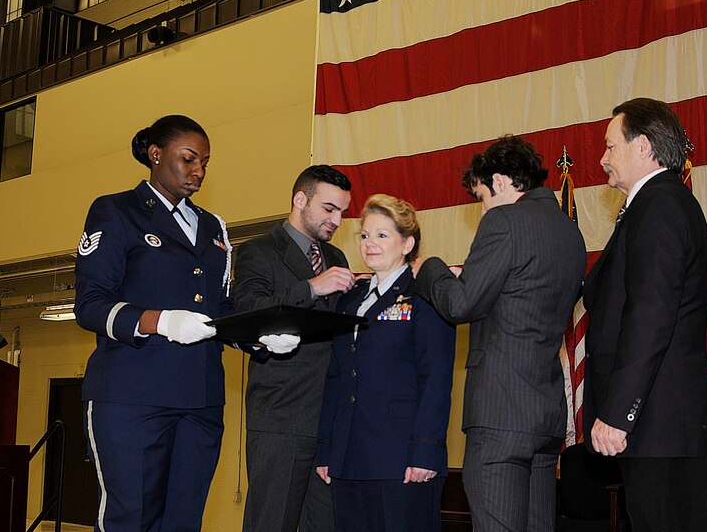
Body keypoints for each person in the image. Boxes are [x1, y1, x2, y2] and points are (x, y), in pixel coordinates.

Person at [412, 136, 586, 532]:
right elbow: (520, 296)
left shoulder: (504, 220)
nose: (483, 207)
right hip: (544, 414)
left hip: (500, 413)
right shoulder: (569, 232)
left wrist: (430, 268)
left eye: (481, 196)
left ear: (501, 181)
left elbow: (460, 305)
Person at [75, 114, 233, 531]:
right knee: (132, 519)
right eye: (188, 159)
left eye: (205, 162)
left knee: (183, 522)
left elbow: (223, 307)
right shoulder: (117, 211)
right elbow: (89, 305)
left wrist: (260, 335)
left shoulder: (213, 227)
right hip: (132, 395)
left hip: (200, 398)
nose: (198, 171)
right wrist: (157, 321)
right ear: (155, 154)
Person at [583, 98, 707, 531]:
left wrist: (617, 412)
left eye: (610, 146)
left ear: (643, 147)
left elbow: (650, 317)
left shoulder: (660, 205)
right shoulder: (659, 204)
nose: (602, 158)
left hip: (659, 423)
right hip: (663, 424)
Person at [315, 194, 456, 532]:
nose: (370, 244)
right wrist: (326, 449)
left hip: (401, 457)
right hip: (349, 454)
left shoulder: (425, 295)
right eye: (364, 235)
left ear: (407, 243)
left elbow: (435, 378)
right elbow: (336, 376)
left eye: (382, 235)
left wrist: (425, 451)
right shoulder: (350, 301)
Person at [233, 165, 355, 532]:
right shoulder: (258, 251)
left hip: (329, 420)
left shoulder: (337, 259)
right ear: (300, 199)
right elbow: (249, 312)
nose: (337, 220)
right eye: (329, 208)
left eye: (343, 213)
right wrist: (312, 288)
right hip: (281, 417)